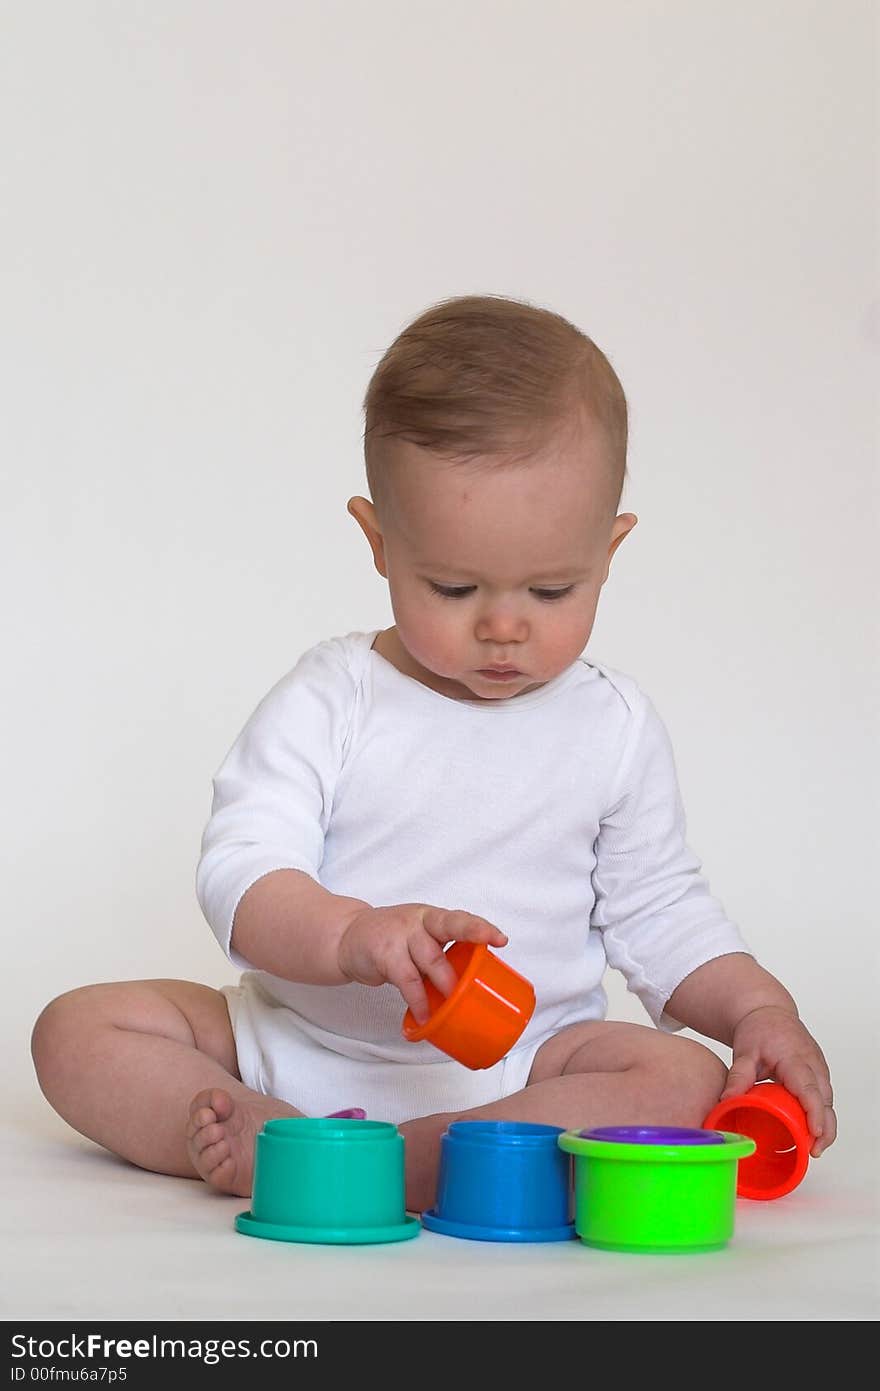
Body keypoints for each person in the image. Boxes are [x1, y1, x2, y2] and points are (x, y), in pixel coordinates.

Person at [31, 294, 836, 1213]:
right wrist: (351, 934)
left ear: (610, 552)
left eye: (552, 586)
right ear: (380, 544)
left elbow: (661, 912)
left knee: (681, 1076)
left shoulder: (612, 726)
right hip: (299, 1045)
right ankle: (270, 1128)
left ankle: (376, 1162)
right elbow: (242, 871)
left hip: (526, 1071)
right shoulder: (334, 698)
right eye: (453, 585)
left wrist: (760, 1011)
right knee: (78, 1028)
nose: (503, 625)